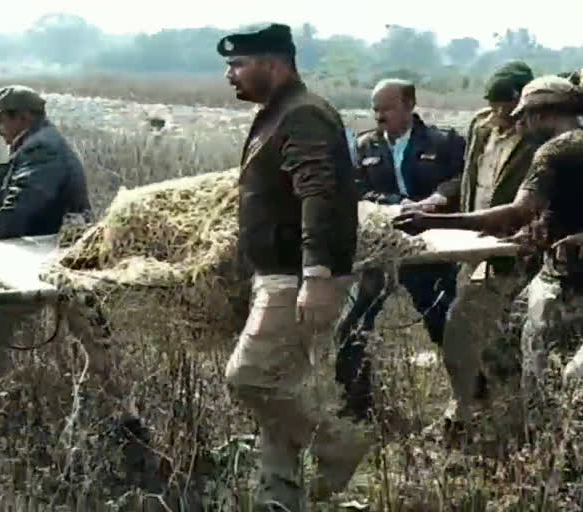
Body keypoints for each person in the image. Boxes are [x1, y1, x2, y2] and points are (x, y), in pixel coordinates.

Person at [217, 23, 369, 510]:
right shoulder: (277, 113)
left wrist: (318, 274)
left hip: (296, 276)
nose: (231, 75)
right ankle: (279, 498)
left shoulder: (304, 115)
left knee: (250, 379)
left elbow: (319, 194)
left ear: (275, 63)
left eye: (239, 64)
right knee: (278, 387)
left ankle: (337, 444)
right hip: (278, 274)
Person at [394, 75, 583, 437]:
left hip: (568, 283)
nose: (520, 124)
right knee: (506, 347)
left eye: (525, 116)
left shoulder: (556, 151)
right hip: (555, 272)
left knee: (539, 375)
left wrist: (431, 220)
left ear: (544, 114)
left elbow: (516, 211)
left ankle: (544, 456)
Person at [415, 61, 540, 437]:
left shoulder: (539, 137)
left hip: (517, 249)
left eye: (508, 105)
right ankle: (481, 413)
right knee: (479, 333)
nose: (501, 113)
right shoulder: (479, 127)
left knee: (472, 329)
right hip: (473, 247)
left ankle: (483, 418)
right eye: (495, 104)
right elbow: (471, 179)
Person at [335, 79, 463, 420]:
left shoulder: (444, 142)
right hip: (381, 246)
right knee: (353, 324)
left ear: (409, 105)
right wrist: (395, 203)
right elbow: (356, 188)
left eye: (387, 109)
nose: (379, 117)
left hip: (429, 247)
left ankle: (466, 402)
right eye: (375, 109)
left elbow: (462, 178)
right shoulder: (365, 145)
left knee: (443, 323)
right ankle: (358, 408)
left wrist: (439, 199)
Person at [0, 85, 91, 383]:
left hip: (53, 259)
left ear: (23, 117)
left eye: (0, 119)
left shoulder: (42, 148)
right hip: (50, 256)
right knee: (92, 341)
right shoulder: (31, 143)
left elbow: (21, 206)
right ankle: (124, 413)